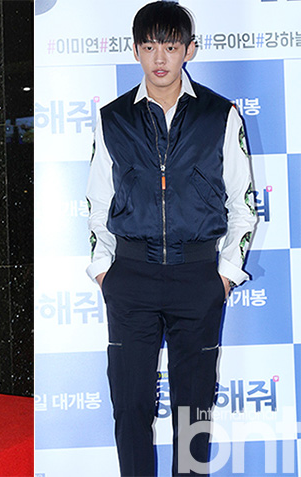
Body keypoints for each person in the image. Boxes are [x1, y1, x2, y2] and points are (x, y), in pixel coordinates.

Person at [86, 2, 257, 475]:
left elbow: (243, 203)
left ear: (189, 50)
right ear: (136, 51)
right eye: (149, 46)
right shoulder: (113, 118)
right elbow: (97, 203)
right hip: (131, 277)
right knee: (130, 407)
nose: (159, 57)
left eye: (170, 46)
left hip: (197, 277)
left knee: (194, 411)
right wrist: (103, 270)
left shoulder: (220, 115)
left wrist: (224, 275)